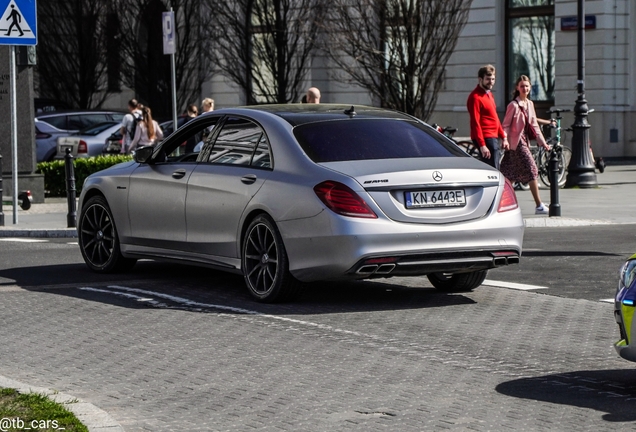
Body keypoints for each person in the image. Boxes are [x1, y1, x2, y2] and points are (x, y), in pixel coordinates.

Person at [500, 75, 550, 215]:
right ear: (517, 88)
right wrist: (504, 139)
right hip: (516, 143)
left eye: (527, 86)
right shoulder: (513, 105)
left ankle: (504, 206)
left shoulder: (530, 104)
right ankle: (539, 205)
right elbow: (505, 126)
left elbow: (534, 125)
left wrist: (543, 143)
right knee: (532, 169)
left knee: (509, 175)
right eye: (522, 86)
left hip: (524, 142)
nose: (525, 88)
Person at [467, 65, 508, 169]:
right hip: (486, 137)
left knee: (495, 168)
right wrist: (482, 145)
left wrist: (503, 137)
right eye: (488, 79)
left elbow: (495, 118)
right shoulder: (475, 97)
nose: (491, 82)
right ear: (480, 79)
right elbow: (475, 122)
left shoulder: (489, 95)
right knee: (493, 170)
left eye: (493, 79)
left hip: (493, 136)